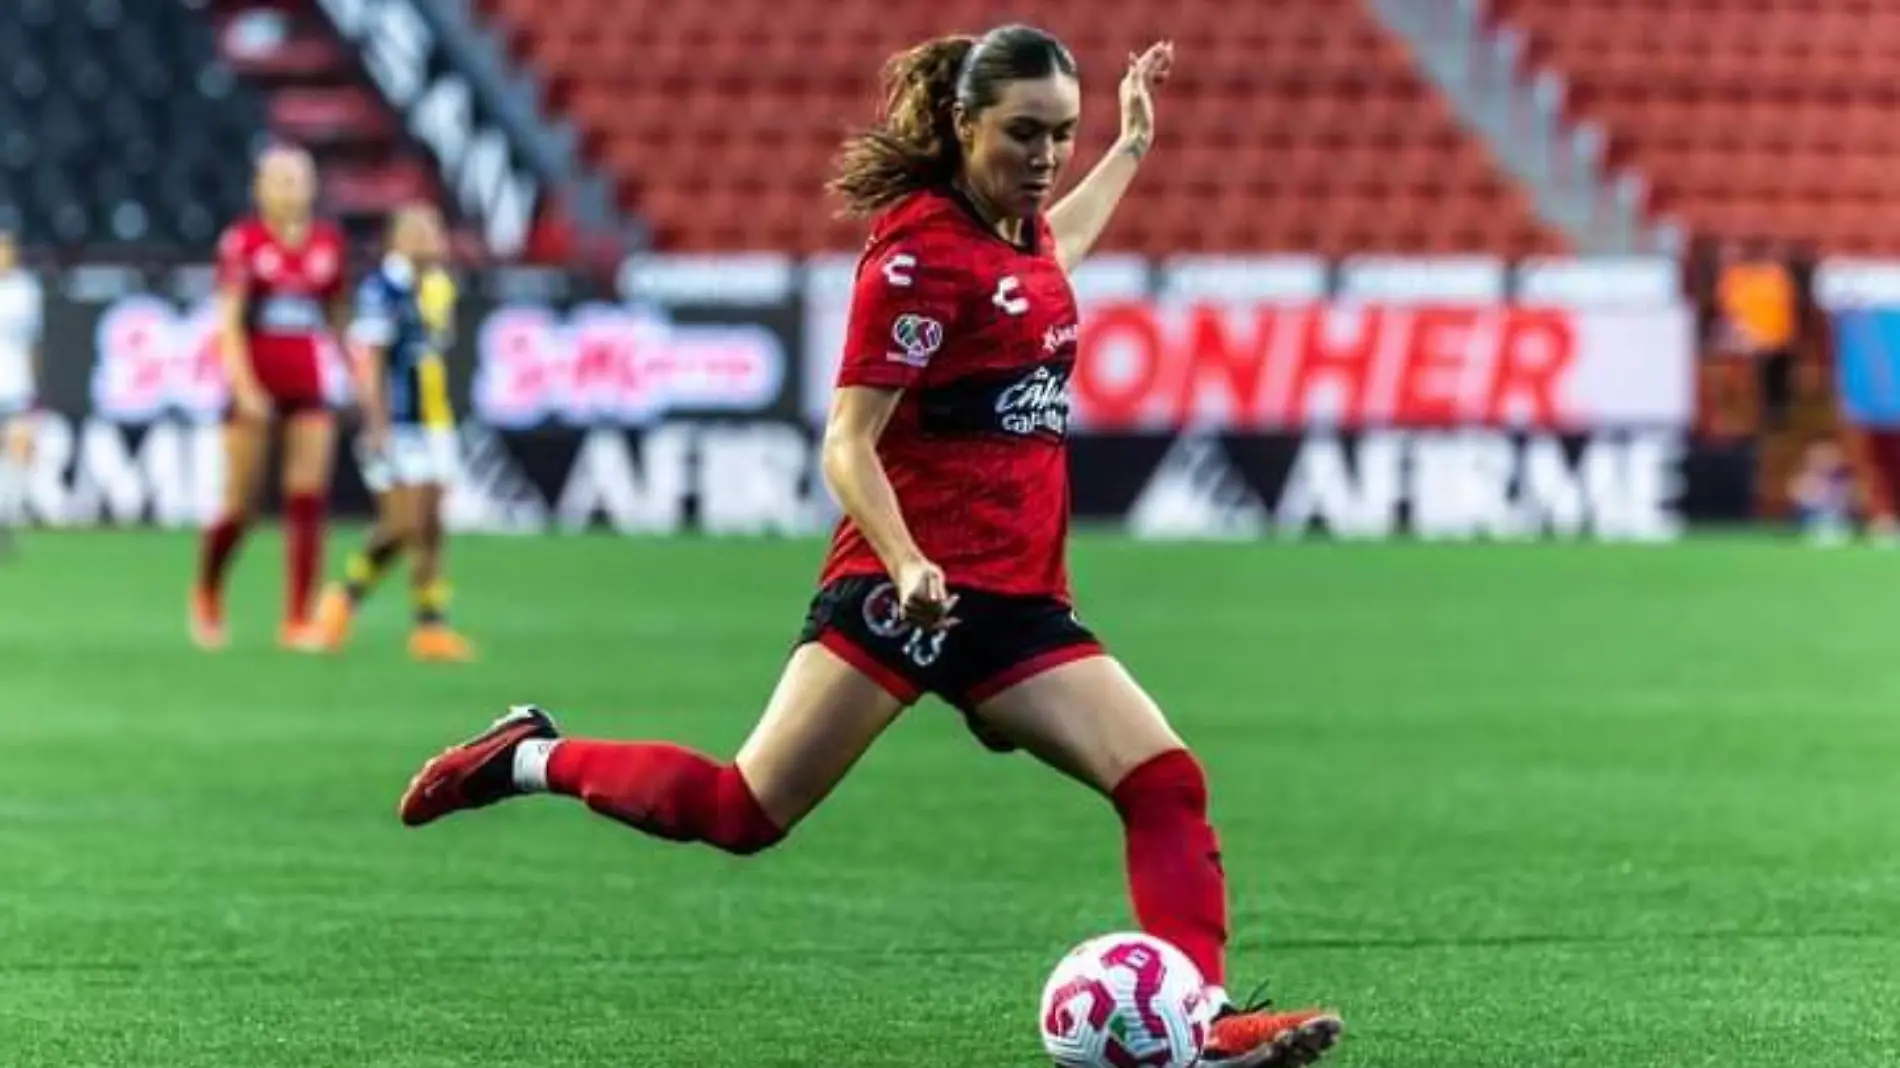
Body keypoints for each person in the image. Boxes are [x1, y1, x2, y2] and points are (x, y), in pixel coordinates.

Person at [395, 26, 1342, 1067]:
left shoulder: (1018, 233)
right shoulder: (915, 257)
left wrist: (1126, 151)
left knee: (1164, 780)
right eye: (1024, 133)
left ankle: (1197, 1022)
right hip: (902, 595)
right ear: (961, 122)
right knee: (740, 809)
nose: (1044, 157)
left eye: (1061, 136)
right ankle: (524, 756)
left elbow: (1045, 264)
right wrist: (904, 560)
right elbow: (846, 442)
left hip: (1016, 605)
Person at [192, 144, 349, 651]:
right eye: (280, 179)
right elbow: (231, 325)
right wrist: (245, 387)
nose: (291, 189)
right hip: (256, 389)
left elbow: (338, 317)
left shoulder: (328, 244)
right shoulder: (244, 242)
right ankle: (209, 589)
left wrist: (353, 369)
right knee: (242, 505)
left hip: (308, 387)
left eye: (299, 179)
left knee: (308, 498)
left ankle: (298, 619)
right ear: (260, 188)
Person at [313, 202, 474, 661]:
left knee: (432, 524)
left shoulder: (440, 287)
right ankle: (343, 597)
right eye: (418, 230)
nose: (429, 237)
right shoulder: (382, 290)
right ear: (396, 239)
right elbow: (371, 362)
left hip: (436, 421)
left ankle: (431, 626)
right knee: (402, 523)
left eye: (434, 228)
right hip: (397, 423)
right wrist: (376, 423)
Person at [0, 230, 42, 554]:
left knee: (16, 457)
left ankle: (8, 522)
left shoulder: (26, 290)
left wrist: (33, 386)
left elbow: (32, 343)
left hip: (15, 386)